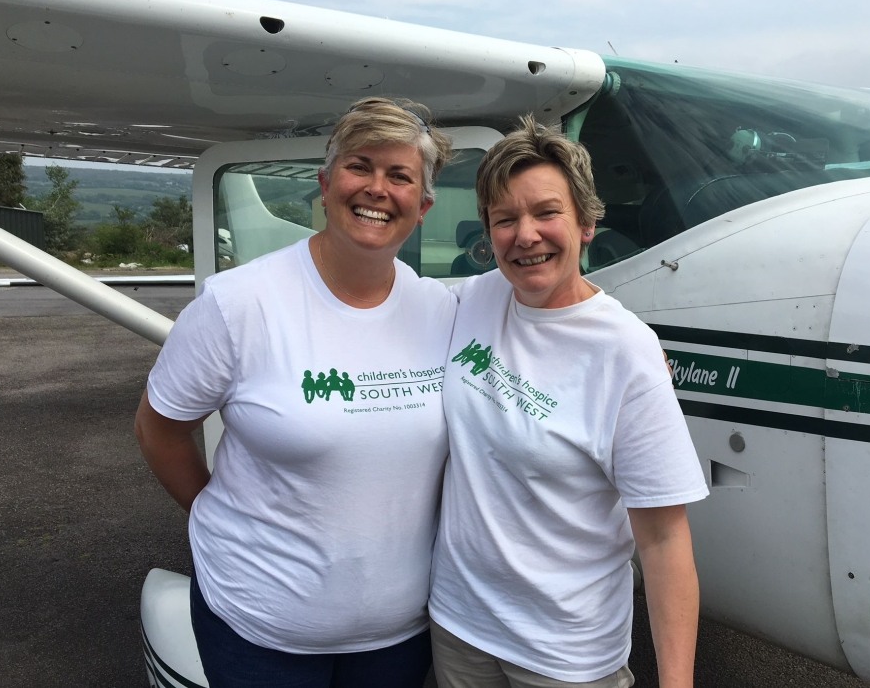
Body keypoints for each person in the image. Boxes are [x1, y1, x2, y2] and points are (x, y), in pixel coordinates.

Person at [134, 97, 455, 688]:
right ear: (326, 182)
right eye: (361, 166)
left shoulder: (442, 310)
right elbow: (159, 429)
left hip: (398, 636)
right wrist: (212, 509)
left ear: (424, 205)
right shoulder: (238, 304)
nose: (378, 188)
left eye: (400, 175)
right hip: (259, 627)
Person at [429, 116, 709, 688]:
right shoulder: (474, 300)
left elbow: (663, 538)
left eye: (546, 212)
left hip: (564, 656)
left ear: (585, 222)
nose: (524, 235)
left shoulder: (625, 351)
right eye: (504, 219)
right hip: (459, 628)